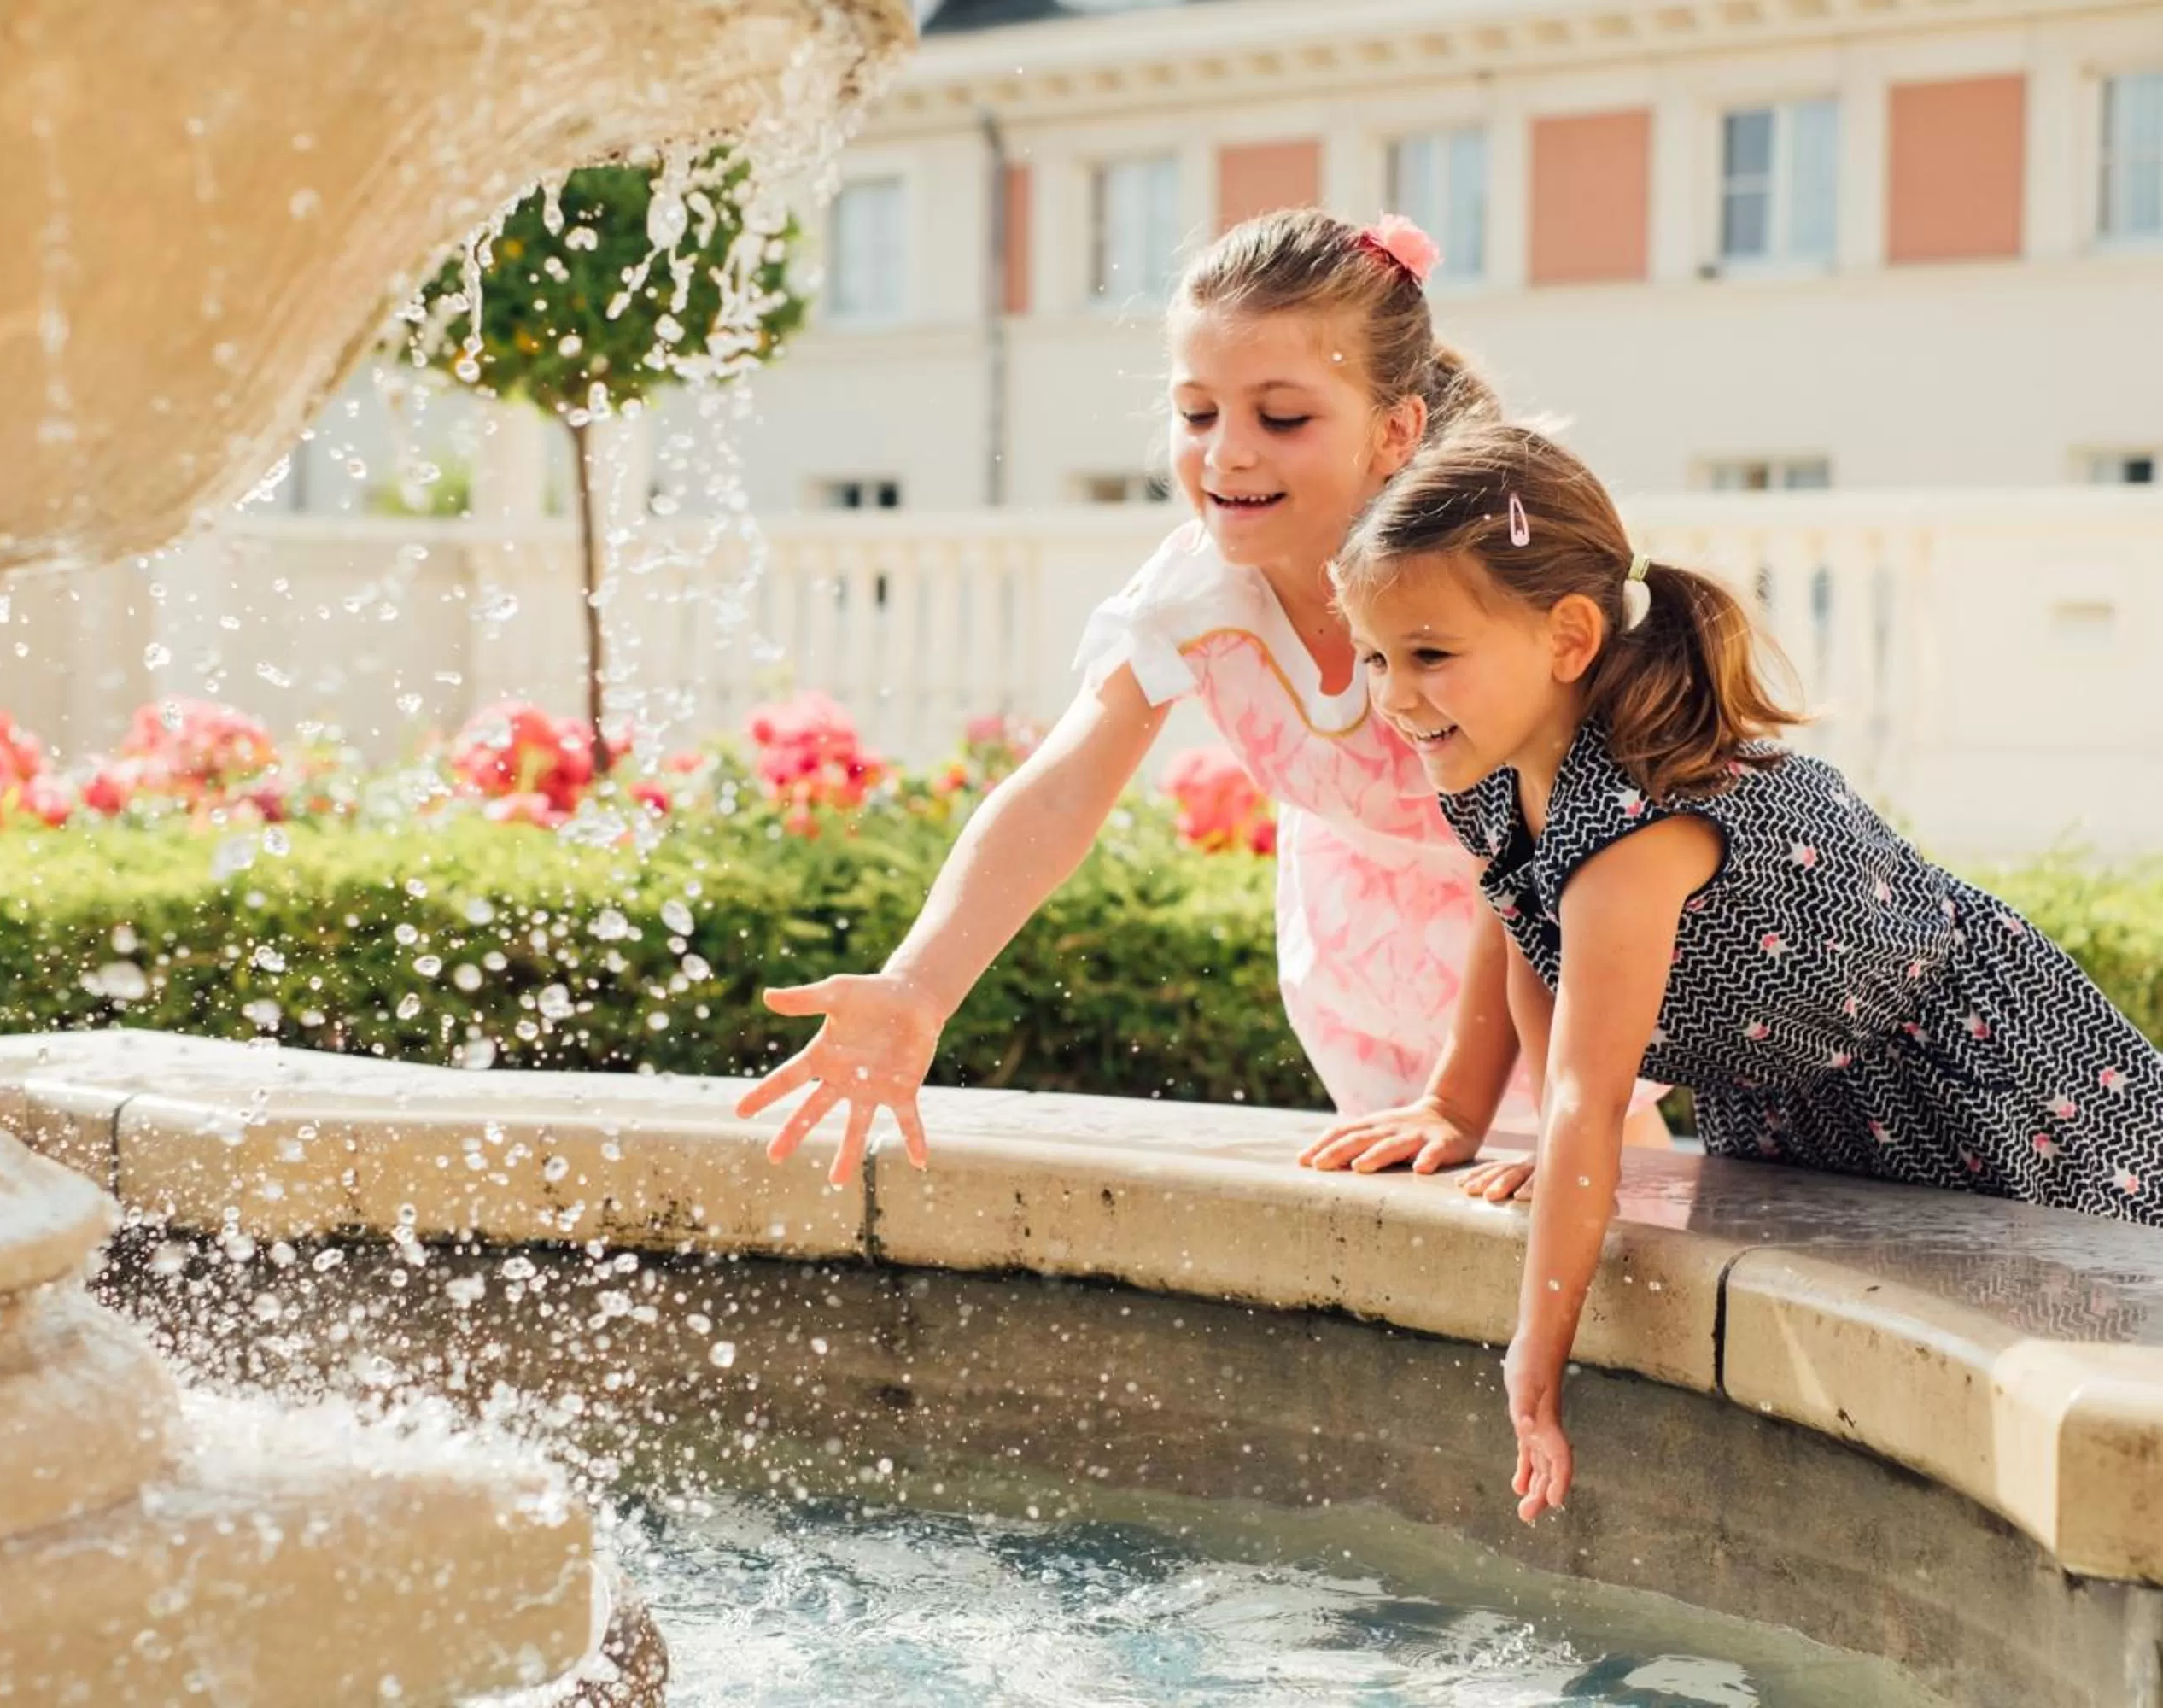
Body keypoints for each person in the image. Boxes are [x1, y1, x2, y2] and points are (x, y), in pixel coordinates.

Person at [1329, 418, 2163, 1521]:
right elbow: (1529, 930)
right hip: (1802, 1093)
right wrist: (1471, 1109)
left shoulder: (1635, 828)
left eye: (1431, 655)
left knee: (2105, 1326)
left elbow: (1588, 1098)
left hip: (1973, 1068)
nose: (1394, 695)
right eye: (1376, 656)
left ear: (1569, 636)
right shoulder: (1495, 779)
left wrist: (1537, 1348)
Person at [734, 207, 1665, 1186]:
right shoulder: (1197, 594)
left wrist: (1463, 1092)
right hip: (1357, 959)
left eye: (1283, 416)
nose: (1227, 452)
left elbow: (1525, 849)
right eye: (1197, 412)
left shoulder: (1470, 586)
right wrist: (917, 987)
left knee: (1617, 1214)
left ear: (1395, 430)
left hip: (1549, 944)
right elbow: (1057, 794)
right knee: (1419, 1225)